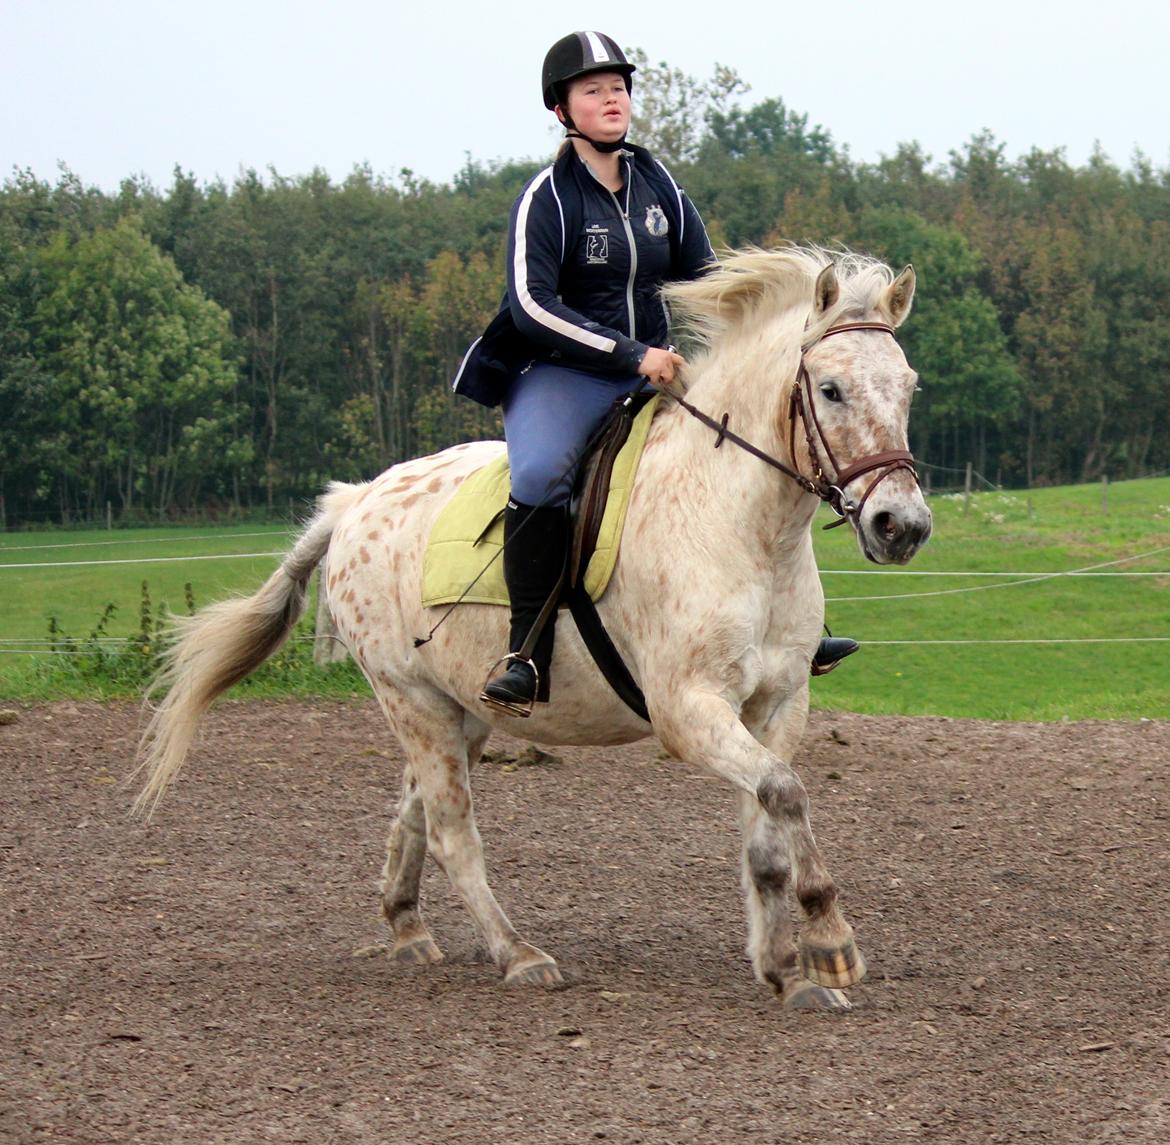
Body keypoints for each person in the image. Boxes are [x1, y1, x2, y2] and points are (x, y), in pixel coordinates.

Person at [453, 30, 856, 715]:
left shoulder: (657, 184)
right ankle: (524, 653)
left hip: (658, 370)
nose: (611, 99)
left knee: (754, 451)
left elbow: (704, 277)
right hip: (561, 371)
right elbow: (528, 305)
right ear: (561, 110)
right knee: (540, 472)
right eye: (593, 90)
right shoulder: (547, 198)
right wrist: (629, 353)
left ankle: (799, 628)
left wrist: (769, 338)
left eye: (619, 87)